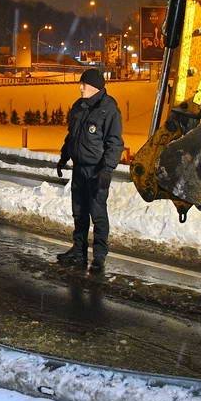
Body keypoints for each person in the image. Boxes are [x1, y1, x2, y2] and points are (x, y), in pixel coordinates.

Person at [56, 68, 123, 273]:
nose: (80, 87)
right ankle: (79, 250)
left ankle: (99, 256)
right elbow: (72, 136)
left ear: (94, 86)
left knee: (97, 213)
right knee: (79, 212)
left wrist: (107, 170)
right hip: (79, 169)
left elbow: (115, 143)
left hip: (96, 171)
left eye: (83, 84)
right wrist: (64, 157)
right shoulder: (79, 106)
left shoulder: (109, 109)